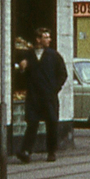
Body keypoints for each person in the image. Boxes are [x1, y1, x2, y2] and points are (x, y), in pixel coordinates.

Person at [16, 28, 68, 162]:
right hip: (33, 96)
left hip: (49, 96)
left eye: (49, 37)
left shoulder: (54, 55)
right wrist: (22, 68)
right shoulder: (28, 55)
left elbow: (63, 74)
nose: (49, 40)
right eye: (45, 37)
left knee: (51, 123)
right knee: (32, 123)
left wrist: (54, 89)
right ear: (38, 39)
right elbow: (22, 75)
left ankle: (51, 151)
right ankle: (26, 151)